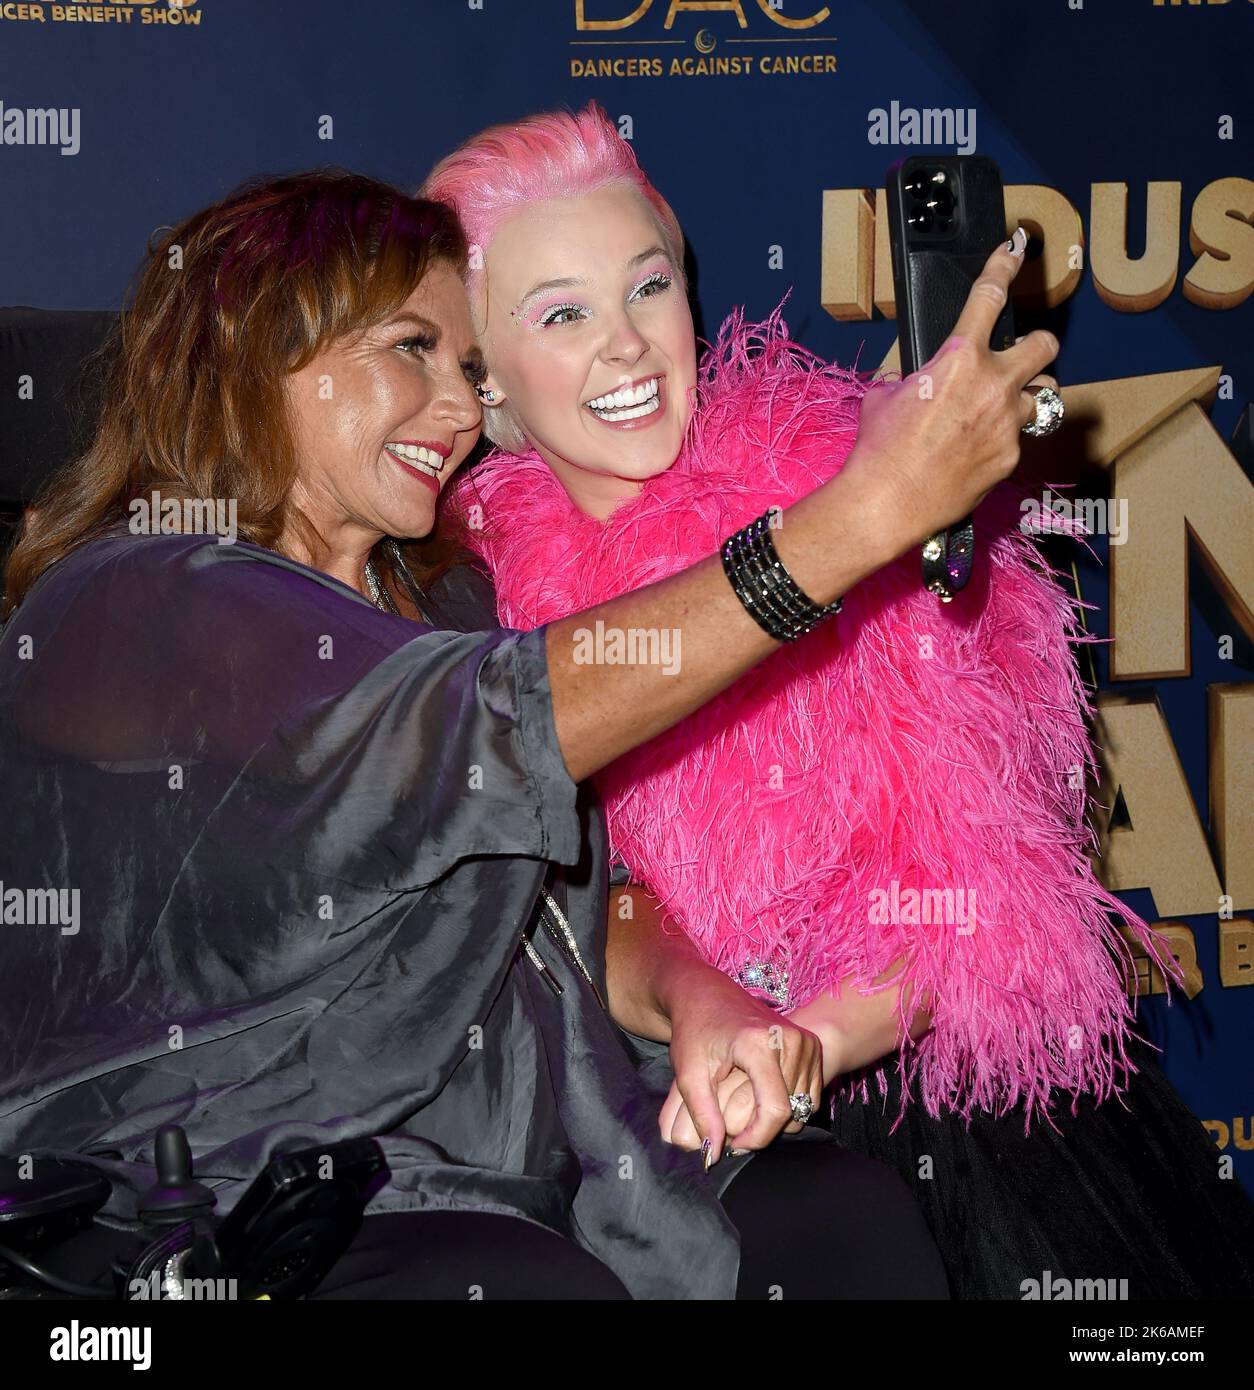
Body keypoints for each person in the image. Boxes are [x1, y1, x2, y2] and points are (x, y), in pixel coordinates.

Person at [0, 170, 972, 1301]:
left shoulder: (455, 603)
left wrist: (701, 1000)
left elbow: (578, 896)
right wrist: (851, 523)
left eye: (468, 370)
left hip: (557, 1150)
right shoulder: (136, 598)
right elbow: (483, 723)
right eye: (410, 349)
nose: (463, 412)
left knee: (841, 1223)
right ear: (255, 346)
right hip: (236, 1184)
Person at [420, 103, 1254, 1298]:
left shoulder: (855, 495)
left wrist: (806, 1044)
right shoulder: (465, 598)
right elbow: (575, 892)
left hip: (951, 1121)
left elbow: (989, 899)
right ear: (487, 387)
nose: (625, 346)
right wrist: (705, 1010)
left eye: (646, 288)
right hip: (647, 1140)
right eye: (561, 313)